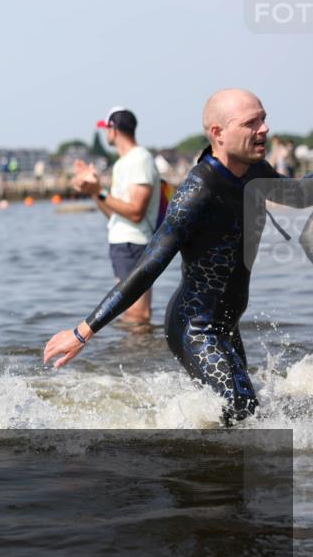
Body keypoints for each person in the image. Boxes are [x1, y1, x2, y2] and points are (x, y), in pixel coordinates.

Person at [44, 89, 312, 425]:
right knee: (245, 413)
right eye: (251, 122)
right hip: (195, 326)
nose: (264, 129)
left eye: (263, 118)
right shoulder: (197, 192)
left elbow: (301, 194)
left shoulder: (256, 172)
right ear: (218, 133)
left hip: (227, 325)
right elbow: (149, 266)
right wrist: (84, 330)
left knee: (249, 416)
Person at [72, 107, 161, 325]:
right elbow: (114, 214)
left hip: (134, 244)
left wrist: (100, 191)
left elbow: (136, 212)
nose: (106, 134)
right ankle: (134, 356)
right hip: (124, 244)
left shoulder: (139, 159)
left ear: (113, 129)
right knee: (131, 313)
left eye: (106, 129)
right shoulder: (123, 163)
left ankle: (136, 357)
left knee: (137, 314)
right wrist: (94, 191)